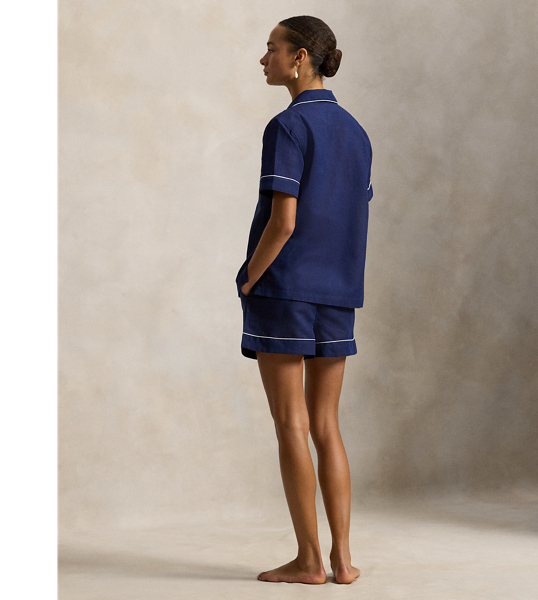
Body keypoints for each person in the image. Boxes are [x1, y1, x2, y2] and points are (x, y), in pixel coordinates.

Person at [235, 15, 373, 585]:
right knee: (326, 425)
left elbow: (284, 222)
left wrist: (249, 276)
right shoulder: (357, 133)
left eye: (272, 48)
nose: (263, 58)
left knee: (291, 424)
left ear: (299, 59)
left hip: (286, 289)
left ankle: (309, 561)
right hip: (338, 293)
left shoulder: (287, 126)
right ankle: (343, 560)